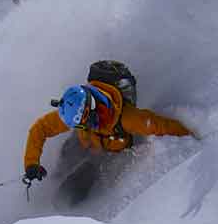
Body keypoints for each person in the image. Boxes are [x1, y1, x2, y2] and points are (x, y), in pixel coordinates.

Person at [23, 78, 193, 204]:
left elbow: (164, 126)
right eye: (78, 125)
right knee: (66, 155)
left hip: (107, 155)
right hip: (87, 144)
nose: (83, 126)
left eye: (84, 123)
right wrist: (32, 164)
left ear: (93, 110)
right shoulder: (78, 113)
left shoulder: (128, 119)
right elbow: (41, 128)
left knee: (68, 195)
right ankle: (53, 181)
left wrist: (193, 136)